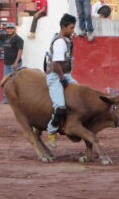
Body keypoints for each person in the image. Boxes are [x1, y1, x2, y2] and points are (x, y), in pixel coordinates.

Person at [45, 14, 77, 148]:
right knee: (60, 107)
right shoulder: (60, 42)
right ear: (63, 27)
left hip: (65, 74)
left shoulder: (66, 38)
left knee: (80, 95)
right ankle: (52, 132)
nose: (73, 31)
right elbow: (57, 64)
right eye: (71, 28)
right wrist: (63, 79)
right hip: (56, 76)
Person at [0, 22, 24, 103]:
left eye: (11, 28)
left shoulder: (19, 39)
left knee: (15, 82)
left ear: (14, 29)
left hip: (15, 64)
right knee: (6, 82)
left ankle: (15, 100)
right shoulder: (5, 37)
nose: (10, 30)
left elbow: (20, 51)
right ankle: (6, 100)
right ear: (6, 29)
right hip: (7, 64)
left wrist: (16, 62)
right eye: (8, 28)